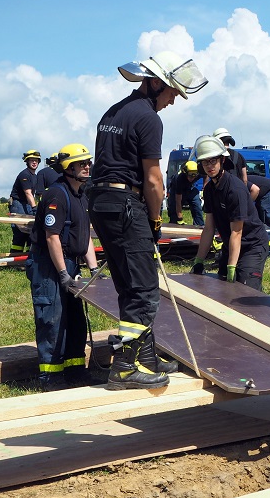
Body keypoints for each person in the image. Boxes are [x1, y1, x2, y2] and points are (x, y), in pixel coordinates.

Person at [89, 50, 207, 390]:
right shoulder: (149, 118)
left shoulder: (114, 111)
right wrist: (155, 220)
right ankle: (125, 367)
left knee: (129, 284)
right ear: (155, 84)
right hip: (127, 205)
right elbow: (154, 180)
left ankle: (147, 357)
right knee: (143, 289)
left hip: (102, 203)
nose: (173, 100)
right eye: (172, 93)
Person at [27, 144, 99, 391]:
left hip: (71, 265)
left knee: (75, 320)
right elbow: (52, 238)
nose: (87, 167)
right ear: (68, 167)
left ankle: (75, 372)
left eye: (88, 162)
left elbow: (84, 235)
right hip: (50, 265)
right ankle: (51, 378)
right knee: (52, 320)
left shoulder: (81, 195)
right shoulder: (57, 195)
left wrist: (93, 268)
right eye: (82, 163)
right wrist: (62, 273)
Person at [190, 135, 269, 289]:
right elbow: (209, 228)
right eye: (205, 162)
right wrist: (199, 260)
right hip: (230, 244)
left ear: (222, 160)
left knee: (245, 288)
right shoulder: (209, 190)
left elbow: (237, 232)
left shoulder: (235, 189)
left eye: (213, 161)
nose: (209, 166)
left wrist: (231, 267)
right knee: (223, 288)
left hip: (252, 245)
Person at [8, 150, 41, 254]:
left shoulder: (34, 176)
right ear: (27, 162)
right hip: (18, 204)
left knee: (31, 231)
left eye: (36, 160)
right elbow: (28, 193)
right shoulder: (25, 175)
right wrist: (35, 208)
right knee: (20, 232)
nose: (34, 162)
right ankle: (15, 256)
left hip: (26, 204)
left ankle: (28, 256)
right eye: (32, 160)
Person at [247, 172, 270, 255]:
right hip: (262, 195)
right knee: (258, 221)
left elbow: (256, 190)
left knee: (268, 221)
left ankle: (267, 251)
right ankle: (258, 247)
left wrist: (247, 207)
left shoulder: (239, 181)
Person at [173, 160, 204, 226]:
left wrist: (205, 188)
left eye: (194, 176)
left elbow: (206, 176)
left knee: (197, 206)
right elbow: (178, 200)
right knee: (173, 211)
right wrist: (179, 216)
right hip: (177, 191)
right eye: (190, 176)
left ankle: (199, 225)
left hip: (190, 188)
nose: (192, 178)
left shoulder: (200, 172)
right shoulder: (179, 178)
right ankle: (174, 224)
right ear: (186, 173)